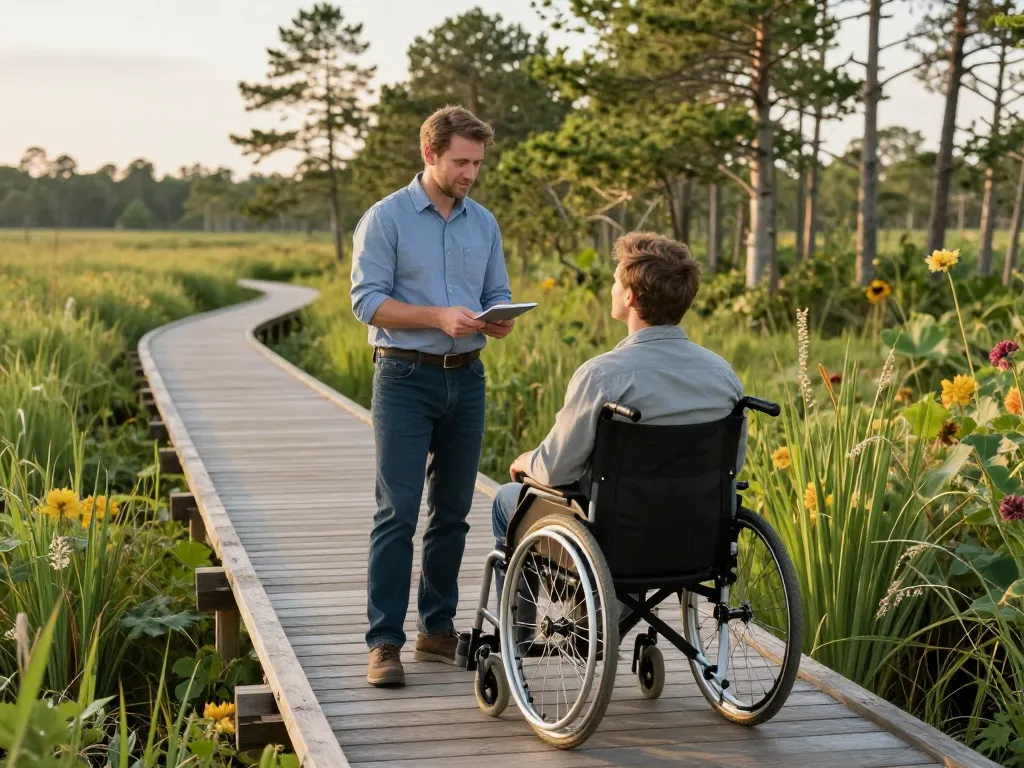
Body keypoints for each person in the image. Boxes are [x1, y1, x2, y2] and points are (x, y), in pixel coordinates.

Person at [350, 105, 514, 687]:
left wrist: (499, 319)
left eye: (477, 163)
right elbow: (367, 302)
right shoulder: (386, 219)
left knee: (453, 513)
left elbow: (497, 291)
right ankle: (384, 644)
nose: (470, 172)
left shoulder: (483, 223)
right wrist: (437, 316)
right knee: (396, 511)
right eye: (460, 161)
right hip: (403, 375)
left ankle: (436, 630)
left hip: (467, 378)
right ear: (430, 154)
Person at [491, 231, 747, 553]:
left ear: (630, 298)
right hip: (693, 535)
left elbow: (556, 470)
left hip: (612, 540)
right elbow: (732, 464)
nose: (611, 289)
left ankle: (519, 605)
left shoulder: (601, 377)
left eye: (615, 281)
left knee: (506, 500)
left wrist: (528, 460)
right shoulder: (723, 376)